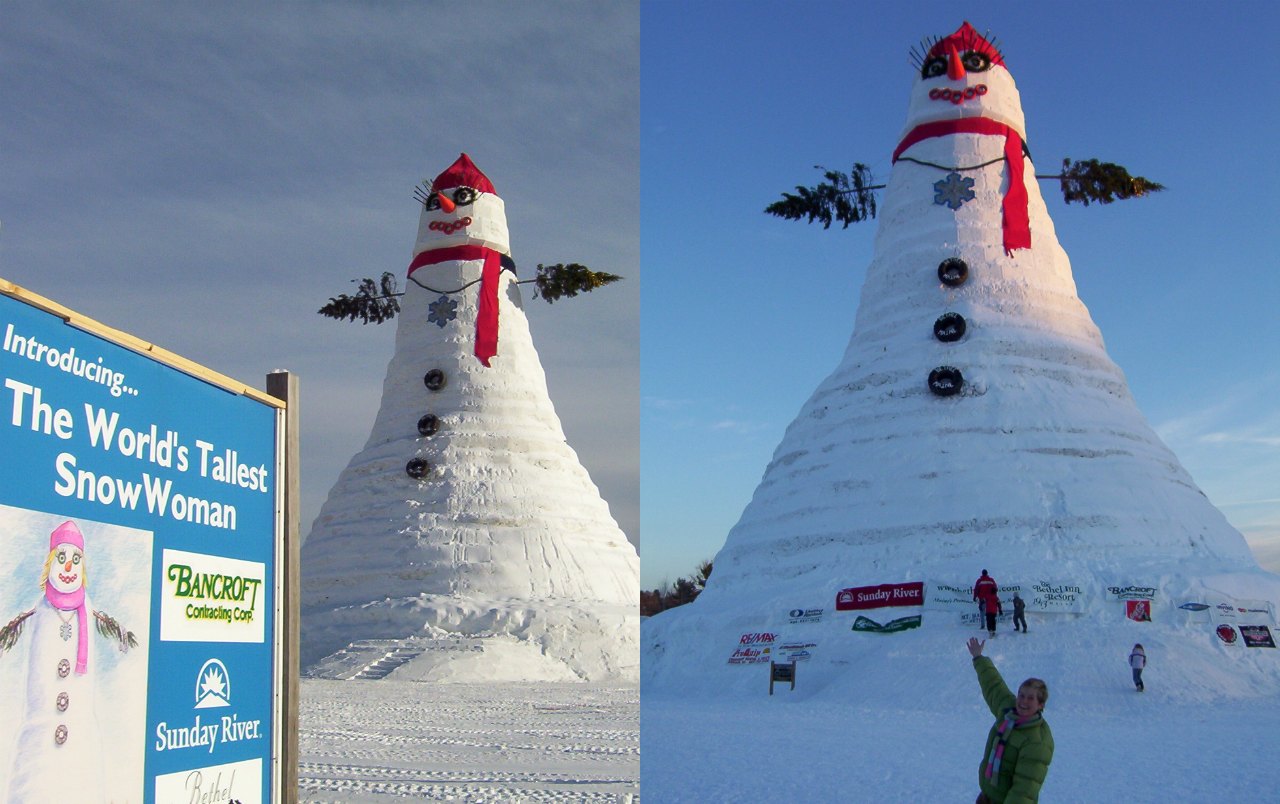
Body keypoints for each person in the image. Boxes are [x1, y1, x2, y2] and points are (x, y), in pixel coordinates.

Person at [967, 637, 1053, 803]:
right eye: (1021, 695)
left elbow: (1024, 790)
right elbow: (993, 686)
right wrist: (978, 657)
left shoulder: (1037, 741)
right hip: (987, 797)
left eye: (1030, 698)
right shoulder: (1008, 711)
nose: (1023, 701)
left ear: (1041, 704)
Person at [974, 570, 1000, 638]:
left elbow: (976, 589)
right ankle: (993, 628)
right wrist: (994, 595)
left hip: (982, 599)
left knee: (982, 612)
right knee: (991, 613)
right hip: (990, 598)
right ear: (987, 573)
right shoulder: (991, 580)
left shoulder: (979, 581)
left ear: (982, 574)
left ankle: (983, 625)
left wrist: (975, 596)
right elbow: (995, 588)